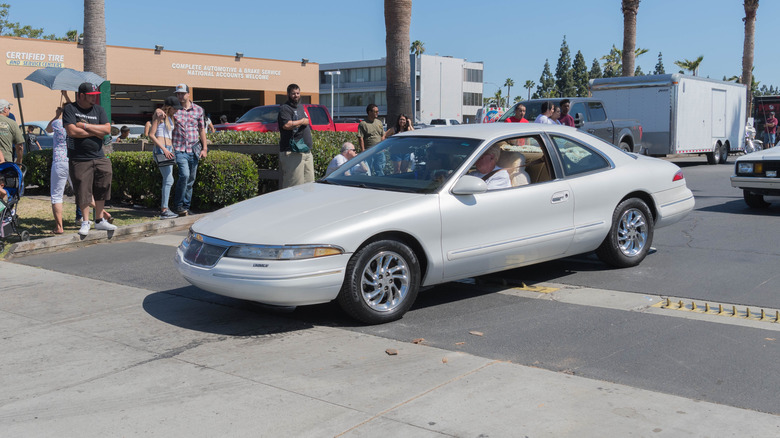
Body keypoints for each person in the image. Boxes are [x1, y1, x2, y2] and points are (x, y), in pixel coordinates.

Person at [63, 82, 117, 236]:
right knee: (83, 189)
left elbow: (107, 129)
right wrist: (96, 131)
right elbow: (72, 131)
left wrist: (85, 127)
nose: (94, 98)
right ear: (81, 95)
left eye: (96, 95)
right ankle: (86, 221)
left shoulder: (99, 110)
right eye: (91, 96)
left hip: (99, 156)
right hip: (79, 158)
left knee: (103, 186)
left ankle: (99, 220)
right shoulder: (70, 109)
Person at [171, 83, 208, 215]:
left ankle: (186, 206)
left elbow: (201, 129)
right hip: (179, 149)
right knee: (184, 175)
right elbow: (162, 119)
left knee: (191, 179)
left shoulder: (198, 110)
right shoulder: (174, 109)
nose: (180, 96)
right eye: (178, 94)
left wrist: (204, 148)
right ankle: (178, 205)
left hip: (194, 149)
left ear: (188, 94)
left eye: (182, 93)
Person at [150, 96, 181, 219]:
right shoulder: (160, 116)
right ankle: (164, 210)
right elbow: (151, 135)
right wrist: (164, 149)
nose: (176, 111)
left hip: (167, 149)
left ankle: (165, 208)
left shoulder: (169, 118)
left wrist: (170, 148)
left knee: (169, 179)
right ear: (169, 107)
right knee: (168, 180)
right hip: (162, 149)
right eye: (174, 108)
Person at [277, 83, 314, 188]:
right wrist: (302, 121)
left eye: (298, 93)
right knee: (294, 187)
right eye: (293, 93)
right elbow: (286, 125)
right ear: (288, 94)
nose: (296, 95)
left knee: (309, 186)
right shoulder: (285, 108)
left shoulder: (301, 107)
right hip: (292, 152)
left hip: (306, 151)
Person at [358, 104, 386, 175]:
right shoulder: (363, 124)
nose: (377, 113)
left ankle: (379, 182)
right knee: (368, 169)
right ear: (369, 112)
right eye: (375, 111)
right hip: (369, 151)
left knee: (379, 169)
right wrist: (363, 151)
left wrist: (383, 147)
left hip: (379, 151)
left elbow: (382, 135)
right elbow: (360, 137)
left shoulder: (379, 122)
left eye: (377, 111)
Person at [0, 99, 24, 165]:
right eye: (9, 108)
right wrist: (19, 162)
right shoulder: (12, 123)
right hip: (5, 163)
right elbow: (19, 146)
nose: (9, 110)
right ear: (5, 109)